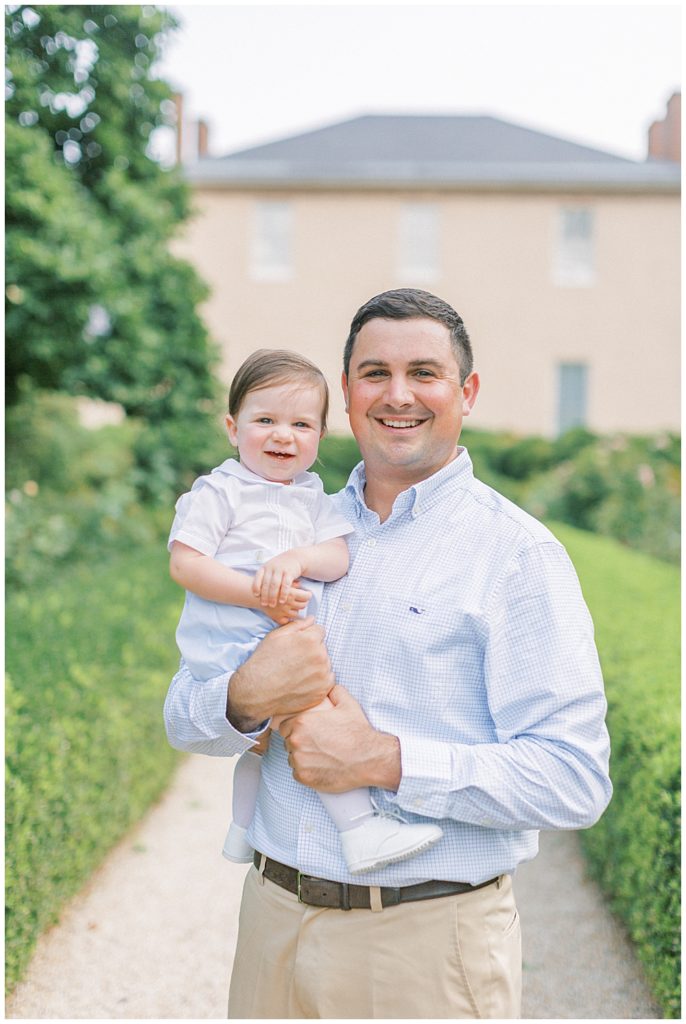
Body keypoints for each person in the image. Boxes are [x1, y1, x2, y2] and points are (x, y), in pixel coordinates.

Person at [164, 289, 612, 1020]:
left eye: (425, 373)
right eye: (374, 372)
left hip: (426, 945)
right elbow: (184, 719)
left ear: (466, 392)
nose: (398, 394)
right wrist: (244, 695)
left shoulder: (516, 555)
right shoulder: (288, 522)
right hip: (271, 924)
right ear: (345, 394)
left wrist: (382, 759)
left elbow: (574, 779)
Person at [168, 348, 442, 875]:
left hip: (275, 633)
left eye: (300, 424)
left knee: (262, 743)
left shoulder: (315, 497)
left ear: (320, 436)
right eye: (264, 420)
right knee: (312, 717)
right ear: (232, 427)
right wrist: (257, 594)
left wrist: (297, 558)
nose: (282, 435)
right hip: (234, 639)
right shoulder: (220, 492)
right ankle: (360, 831)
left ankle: (242, 830)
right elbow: (187, 564)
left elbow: (336, 558)